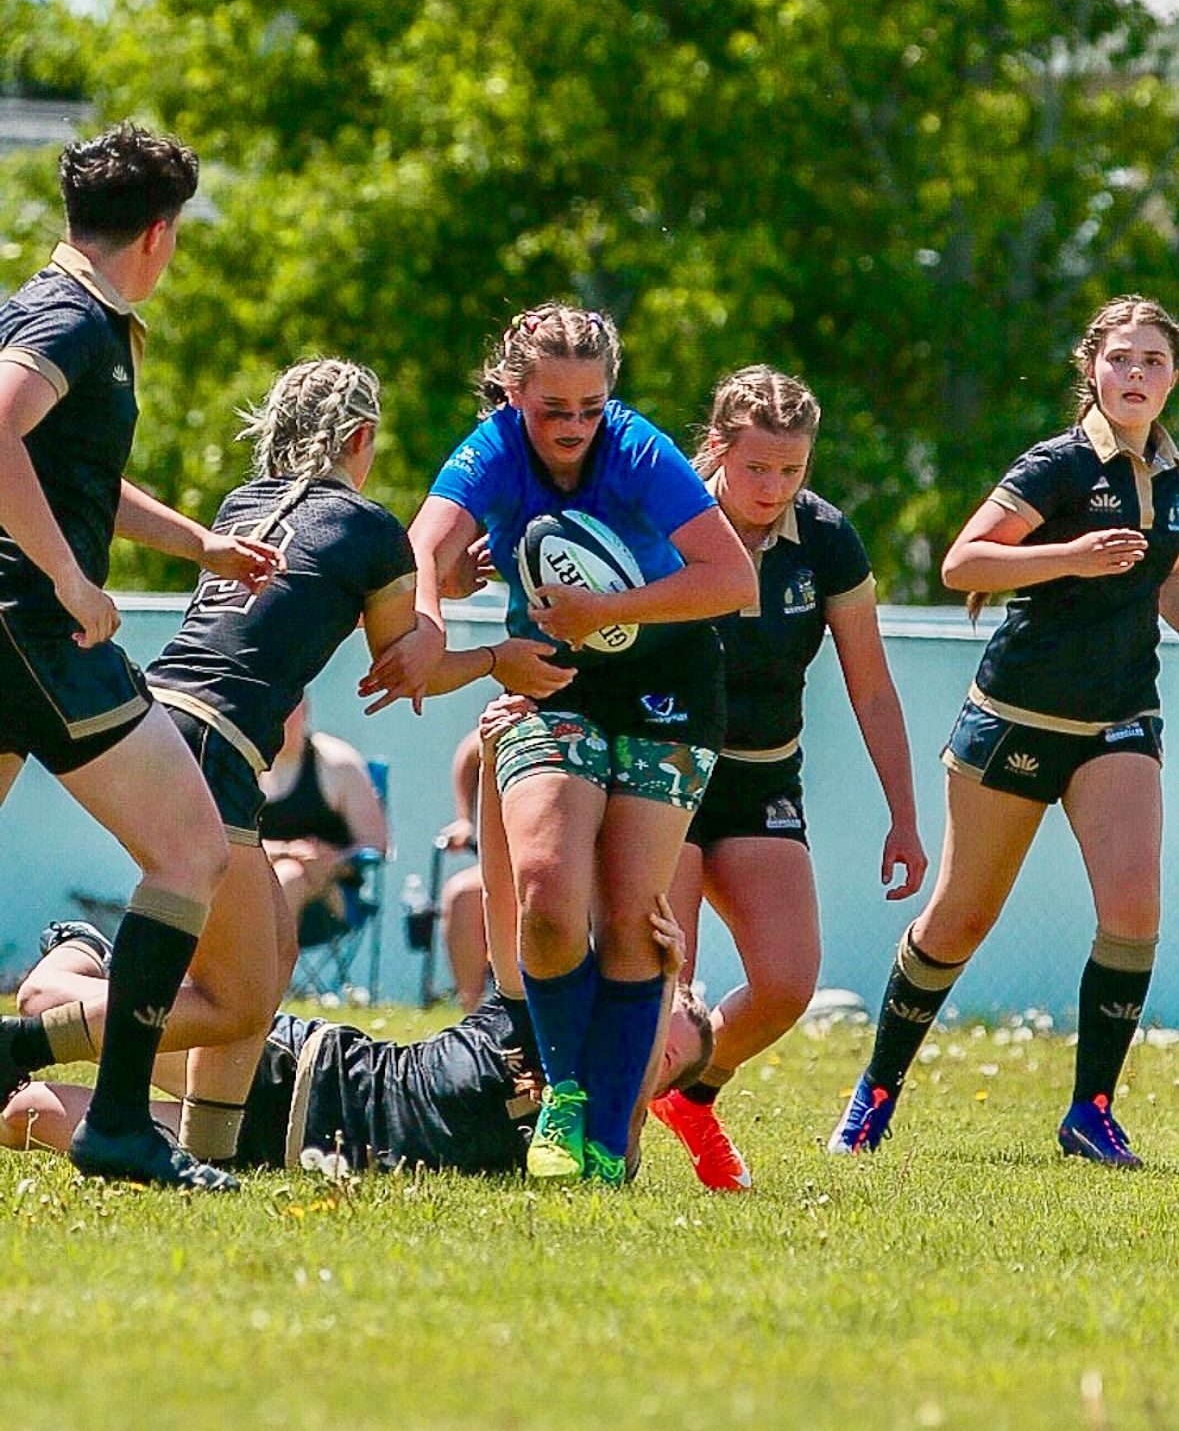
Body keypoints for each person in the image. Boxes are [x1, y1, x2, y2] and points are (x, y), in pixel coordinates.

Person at [362, 302, 756, 1185]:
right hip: (550, 679)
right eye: (552, 409)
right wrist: (427, 624)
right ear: (513, 392)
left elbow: (730, 578)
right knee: (544, 897)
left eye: (590, 407)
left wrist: (607, 611)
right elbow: (424, 542)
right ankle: (565, 1098)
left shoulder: (640, 450)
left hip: (671, 692)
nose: (574, 428)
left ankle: (608, 1145)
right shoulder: (495, 447)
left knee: (629, 917)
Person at [0, 357, 419, 1172]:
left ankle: (208, 1155)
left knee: (268, 969)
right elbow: (408, 661)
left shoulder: (243, 502)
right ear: (361, 439)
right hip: (215, 746)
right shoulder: (372, 529)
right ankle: (28, 1040)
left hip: (165, 719)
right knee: (235, 998)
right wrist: (490, 651)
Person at [3, 703, 713, 1180]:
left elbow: (630, 1114)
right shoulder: (535, 1014)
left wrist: (664, 979)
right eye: (673, 1017)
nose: (661, 1048)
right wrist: (498, 772)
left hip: (280, 1150)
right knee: (42, 997)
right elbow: (504, 891)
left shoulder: (595, 1139)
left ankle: (85, 973)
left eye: (672, 1058)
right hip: (300, 1070)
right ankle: (81, 948)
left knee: (23, 1116)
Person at [829, 294, 1179, 1168]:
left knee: (1134, 910)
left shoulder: (1173, 481)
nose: (1135, 375)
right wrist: (1069, 554)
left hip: (1119, 716)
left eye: (1154, 362)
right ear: (1090, 369)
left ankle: (1090, 1111)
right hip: (1014, 716)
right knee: (958, 918)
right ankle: (875, 1091)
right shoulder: (1057, 465)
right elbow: (962, 562)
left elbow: (1165, 595)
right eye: (1121, 359)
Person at [0, 123, 282, 1191]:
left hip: (16, 625)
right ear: (160, 235)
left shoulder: (65, 309)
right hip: (36, 627)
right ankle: (119, 1124)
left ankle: (103, 1113)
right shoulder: (71, 320)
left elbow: (67, 472)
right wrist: (74, 583)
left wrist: (196, 542)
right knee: (193, 850)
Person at [653, 366, 927, 1190]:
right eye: (755, 469)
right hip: (666, 772)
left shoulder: (828, 540)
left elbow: (870, 685)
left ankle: (688, 1096)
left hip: (764, 778)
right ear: (715, 449)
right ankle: (605, 1146)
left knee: (784, 983)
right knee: (665, 989)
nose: (773, 488)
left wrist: (904, 817)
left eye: (791, 470)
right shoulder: (665, 520)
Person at [259, 696, 388, 943]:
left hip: (328, 894)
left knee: (289, 876)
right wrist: (285, 851)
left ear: (304, 709)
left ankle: (264, 980)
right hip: (253, 877)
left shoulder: (337, 764)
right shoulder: (238, 762)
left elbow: (375, 844)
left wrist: (334, 861)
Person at [435, 727, 490, 1013]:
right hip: (513, 866)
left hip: (591, 868)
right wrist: (464, 818)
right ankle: (474, 1014)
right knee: (462, 895)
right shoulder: (522, 711)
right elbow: (472, 749)